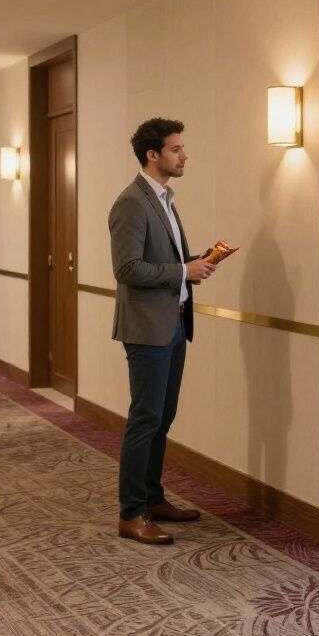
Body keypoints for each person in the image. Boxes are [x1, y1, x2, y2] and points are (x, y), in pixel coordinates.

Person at [109, 117, 217, 545]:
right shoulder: (131, 202)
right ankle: (131, 512)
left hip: (173, 323)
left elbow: (162, 260)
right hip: (147, 328)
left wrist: (195, 263)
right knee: (145, 417)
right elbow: (127, 268)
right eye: (176, 149)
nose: (183, 156)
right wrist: (181, 271)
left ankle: (153, 499)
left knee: (162, 417)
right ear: (152, 155)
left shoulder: (165, 199)